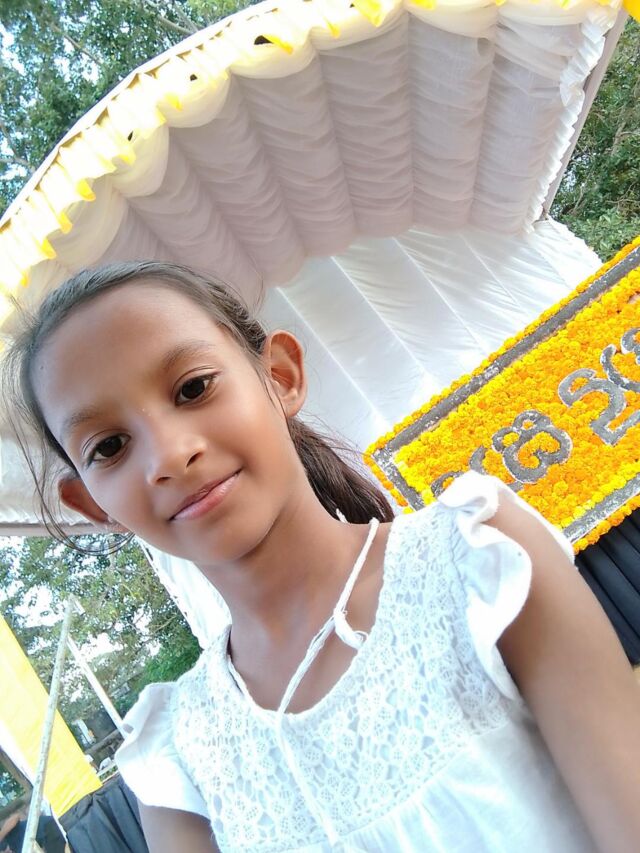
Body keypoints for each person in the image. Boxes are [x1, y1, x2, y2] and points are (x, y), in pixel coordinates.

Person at [5, 260, 640, 853]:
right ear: (92, 505)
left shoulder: (478, 561)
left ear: (280, 377)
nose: (169, 455)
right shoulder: (177, 763)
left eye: (193, 388)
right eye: (109, 446)